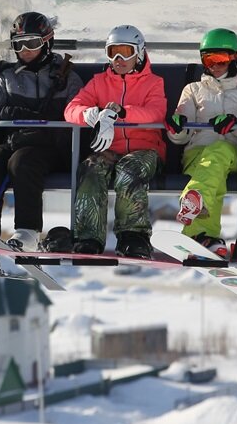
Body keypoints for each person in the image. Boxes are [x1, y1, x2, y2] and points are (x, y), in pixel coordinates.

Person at [0, 11, 83, 269]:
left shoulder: (65, 78)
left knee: (22, 163)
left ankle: (28, 232)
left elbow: (79, 110)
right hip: (16, 140)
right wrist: (11, 113)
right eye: (19, 44)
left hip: (52, 146)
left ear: (47, 43)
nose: (25, 50)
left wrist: (51, 121)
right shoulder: (8, 78)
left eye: (32, 43)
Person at [45, 25, 167, 259]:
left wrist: (122, 112)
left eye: (125, 52)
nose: (119, 59)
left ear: (139, 53)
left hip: (145, 151)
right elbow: (71, 109)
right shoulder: (99, 82)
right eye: (113, 52)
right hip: (108, 150)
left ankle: (133, 236)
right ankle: (88, 237)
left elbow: (155, 113)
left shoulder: (153, 83)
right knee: (90, 170)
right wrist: (88, 114)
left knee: (129, 170)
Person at [164, 28, 237, 258]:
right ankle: (206, 238)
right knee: (212, 176)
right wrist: (177, 127)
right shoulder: (193, 89)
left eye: (221, 59)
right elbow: (181, 136)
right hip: (196, 154)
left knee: (217, 154)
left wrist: (234, 124)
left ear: (235, 58)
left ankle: (195, 211)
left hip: (235, 153)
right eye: (209, 59)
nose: (215, 66)